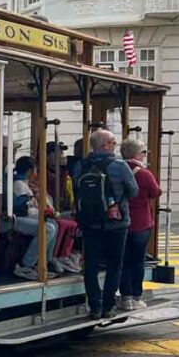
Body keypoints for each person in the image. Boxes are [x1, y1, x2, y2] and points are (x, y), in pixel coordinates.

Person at [74, 129, 139, 319]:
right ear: (104, 145)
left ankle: (94, 306)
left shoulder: (81, 166)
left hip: (90, 223)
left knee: (91, 266)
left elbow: (78, 189)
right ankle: (108, 306)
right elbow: (133, 191)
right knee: (114, 265)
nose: (115, 145)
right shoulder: (119, 166)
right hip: (116, 224)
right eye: (113, 142)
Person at [119, 138, 161, 310]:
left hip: (120, 222)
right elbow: (155, 192)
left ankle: (125, 298)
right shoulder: (144, 174)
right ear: (136, 154)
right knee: (137, 261)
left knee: (123, 261)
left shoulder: (116, 170)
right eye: (144, 152)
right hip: (141, 223)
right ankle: (136, 297)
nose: (145, 155)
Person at [11, 155, 62, 281]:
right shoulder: (19, 184)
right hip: (17, 219)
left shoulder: (25, 184)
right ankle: (25, 265)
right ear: (30, 171)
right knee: (48, 228)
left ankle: (45, 261)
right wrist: (41, 212)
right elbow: (24, 209)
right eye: (35, 170)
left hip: (27, 216)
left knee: (53, 224)